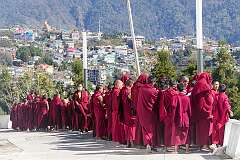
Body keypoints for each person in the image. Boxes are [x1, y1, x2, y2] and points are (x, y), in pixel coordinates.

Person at [191, 72, 214, 151]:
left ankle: (200, 145)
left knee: (199, 129)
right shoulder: (206, 86)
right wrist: (209, 110)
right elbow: (208, 100)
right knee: (205, 129)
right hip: (205, 112)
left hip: (198, 111)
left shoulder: (197, 85)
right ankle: (204, 145)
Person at [137, 76, 158, 152]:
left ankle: (147, 144)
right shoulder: (154, 91)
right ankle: (151, 144)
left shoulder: (141, 89)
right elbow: (156, 101)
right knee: (151, 129)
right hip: (150, 112)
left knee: (145, 129)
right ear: (153, 82)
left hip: (142, 111)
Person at [159, 80, 180, 153]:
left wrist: (162, 115)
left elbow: (162, 105)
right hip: (174, 114)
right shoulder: (176, 94)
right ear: (174, 85)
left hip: (167, 114)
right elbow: (178, 106)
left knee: (167, 130)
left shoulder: (164, 93)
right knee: (174, 131)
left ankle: (166, 146)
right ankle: (173, 146)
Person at [132, 73, 149, 147]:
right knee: (144, 125)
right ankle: (144, 142)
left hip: (137, 107)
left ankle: (139, 142)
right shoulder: (143, 87)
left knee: (138, 125)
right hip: (143, 108)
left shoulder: (134, 86)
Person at [176, 83, 192, 153]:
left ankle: (176, 150)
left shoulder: (175, 97)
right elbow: (189, 110)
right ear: (184, 89)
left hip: (177, 117)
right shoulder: (187, 98)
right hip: (185, 117)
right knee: (186, 133)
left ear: (177, 89)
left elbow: (173, 108)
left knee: (177, 133)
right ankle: (187, 150)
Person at [119, 79, 136, 148]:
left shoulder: (123, 91)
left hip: (125, 111)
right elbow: (132, 101)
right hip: (130, 111)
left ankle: (128, 142)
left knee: (127, 127)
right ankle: (132, 142)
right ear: (131, 84)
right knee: (132, 127)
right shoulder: (128, 91)